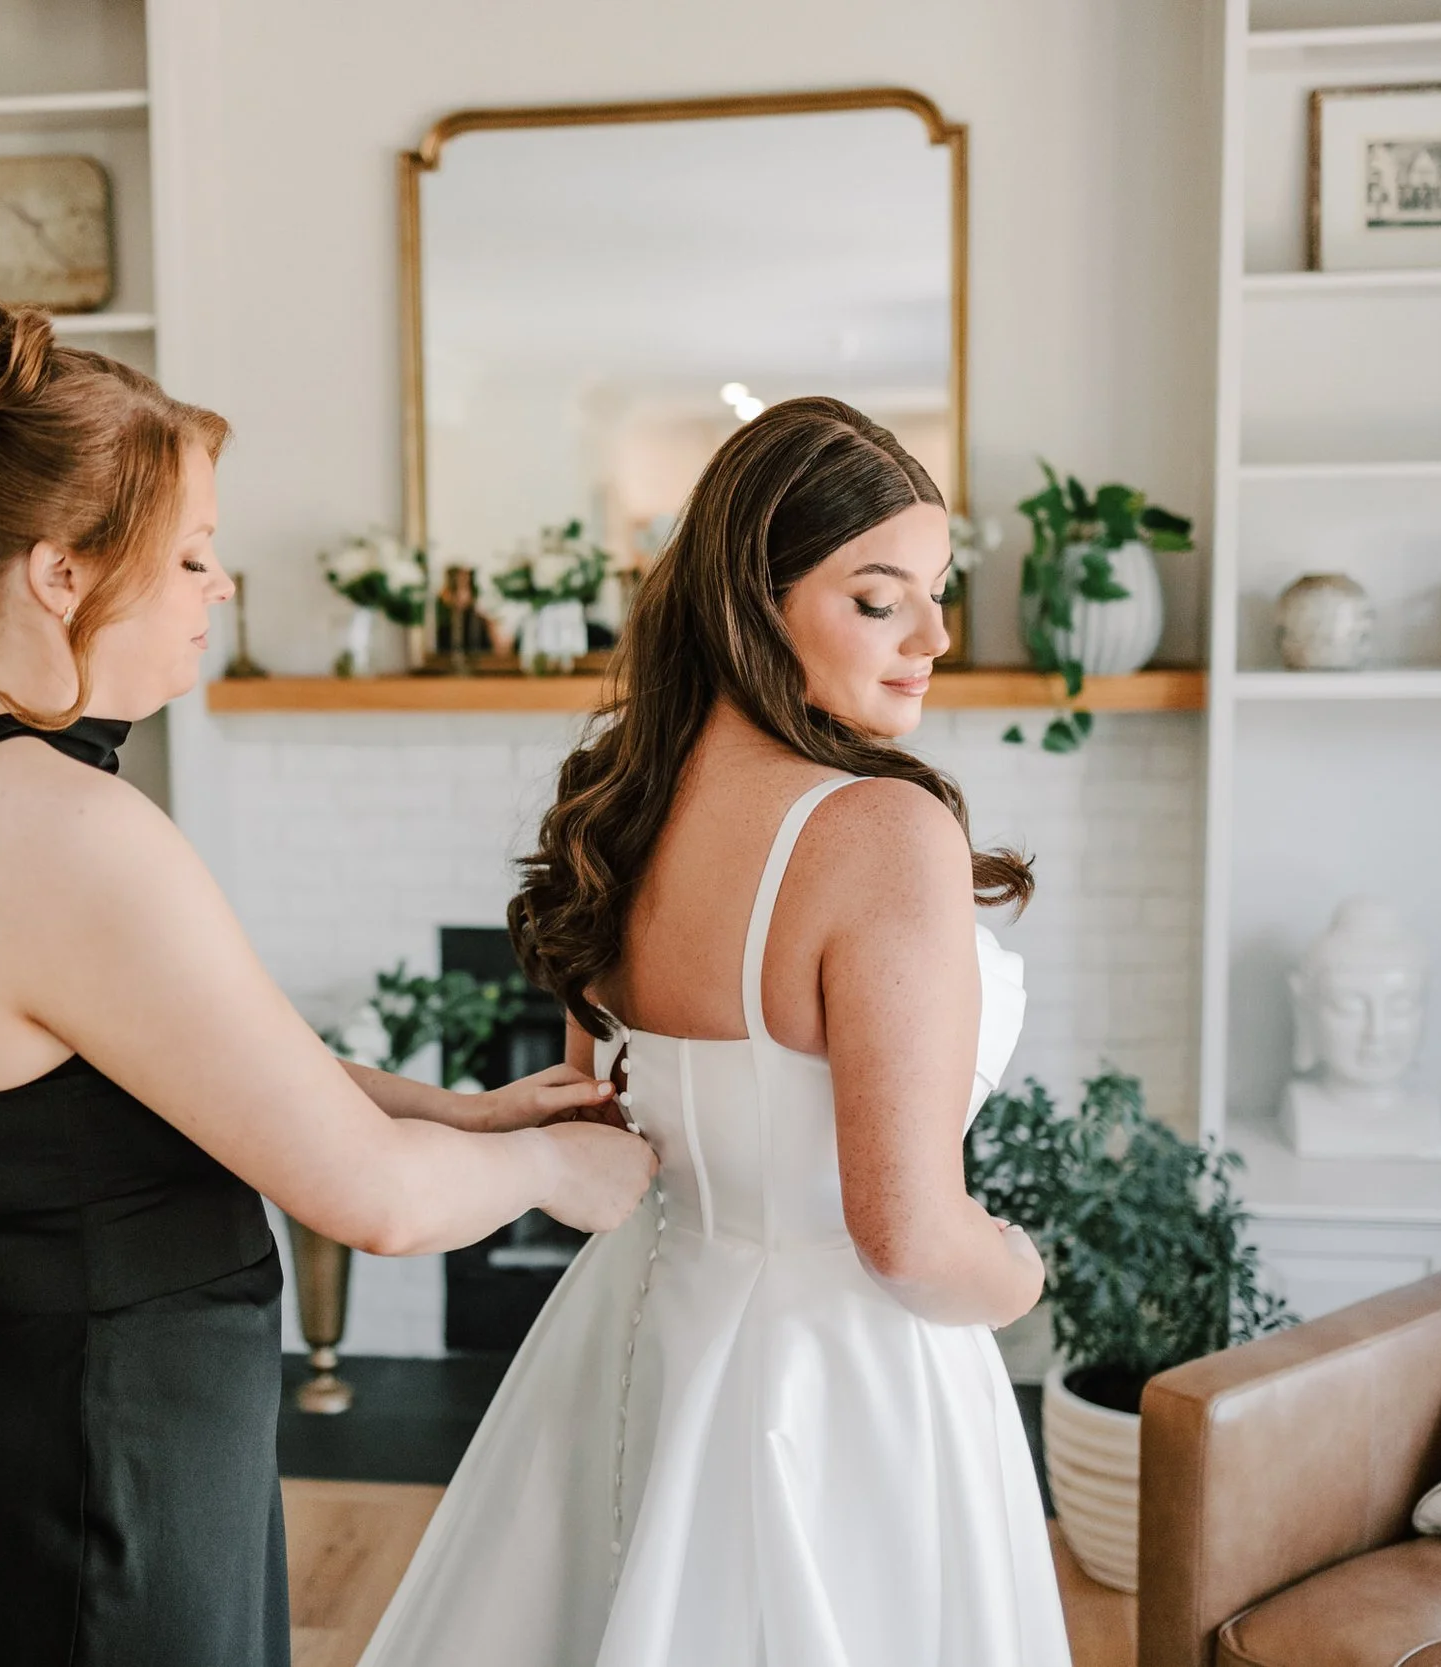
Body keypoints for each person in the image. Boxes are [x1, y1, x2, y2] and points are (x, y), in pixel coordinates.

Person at [0, 277, 656, 1667]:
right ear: (63, 572)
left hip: (24, 1430)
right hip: (103, 1473)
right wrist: (562, 1173)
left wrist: (464, 1113)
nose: (221, 585)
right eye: (196, 552)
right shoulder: (71, 831)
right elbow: (373, 1205)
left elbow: (191, 1064)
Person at [359, 397, 1069, 1665]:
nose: (934, 635)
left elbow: (599, 1118)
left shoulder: (619, 801)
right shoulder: (877, 831)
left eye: (936, 591)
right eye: (877, 597)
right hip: (842, 1385)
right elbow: (906, 1236)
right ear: (758, 596)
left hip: (638, 1334)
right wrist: (1019, 1272)